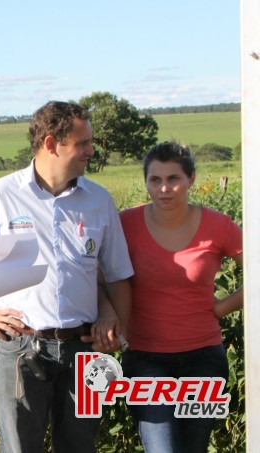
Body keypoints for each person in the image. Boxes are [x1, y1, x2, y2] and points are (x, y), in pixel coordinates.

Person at [0, 100, 133, 453]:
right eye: (82, 143)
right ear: (52, 144)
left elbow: (117, 275)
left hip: (85, 351)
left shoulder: (99, 200)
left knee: (80, 447)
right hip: (21, 348)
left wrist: (116, 325)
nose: (91, 150)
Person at [119, 142, 243, 453]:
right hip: (145, 359)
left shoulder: (218, 226)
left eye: (173, 178)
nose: (164, 188)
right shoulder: (125, 224)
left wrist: (221, 308)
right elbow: (97, 276)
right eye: (154, 180)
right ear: (146, 181)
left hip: (204, 359)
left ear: (191, 179)